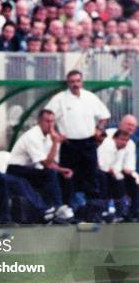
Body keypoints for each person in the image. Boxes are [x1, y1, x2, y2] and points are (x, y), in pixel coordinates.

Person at [45, 70, 110, 199]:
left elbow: (105, 115)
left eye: (78, 81)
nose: (75, 84)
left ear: (82, 82)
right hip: (69, 144)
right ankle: (70, 209)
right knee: (69, 177)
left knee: (91, 176)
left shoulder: (90, 97)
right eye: (72, 81)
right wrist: (54, 134)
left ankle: (92, 211)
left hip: (89, 143)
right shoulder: (60, 99)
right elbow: (47, 116)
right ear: (68, 83)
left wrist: (99, 129)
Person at [7, 109, 75, 221]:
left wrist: (62, 170)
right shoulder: (33, 136)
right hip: (16, 170)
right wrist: (55, 143)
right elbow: (47, 164)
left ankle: (66, 207)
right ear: (39, 121)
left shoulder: (47, 137)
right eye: (47, 121)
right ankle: (56, 208)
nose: (50, 124)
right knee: (50, 174)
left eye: (52, 121)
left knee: (63, 176)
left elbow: (50, 161)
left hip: (31, 169)